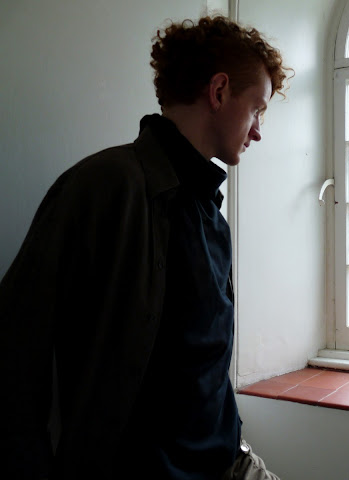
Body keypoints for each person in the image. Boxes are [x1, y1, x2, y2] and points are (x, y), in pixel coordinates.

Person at [0, 14, 290, 480]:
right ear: (219, 92)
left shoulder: (210, 213)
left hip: (226, 459)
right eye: (257, 109)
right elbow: (15, 345)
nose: (258, 130)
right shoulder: (102, 187)